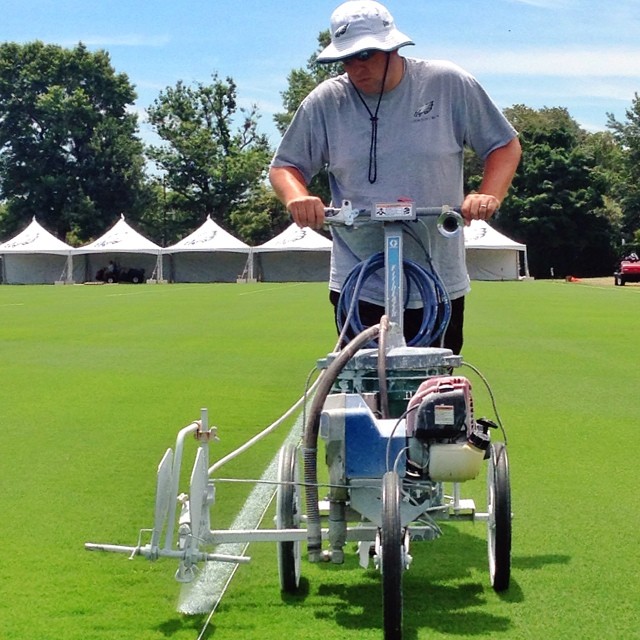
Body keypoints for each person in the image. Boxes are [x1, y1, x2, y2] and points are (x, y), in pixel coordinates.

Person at [269, 0, 521, 354]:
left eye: (367, 54)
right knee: (365, 388)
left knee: (436, 395)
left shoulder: (446, 83)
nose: (356, 66)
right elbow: (284, 166)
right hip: (359, 280)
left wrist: (486, 194)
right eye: (347, 58)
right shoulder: (326, 101)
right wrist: (297, 196)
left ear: (392, 46)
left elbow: (504, 146)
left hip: (437, 278)